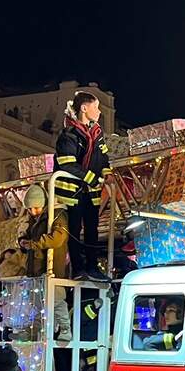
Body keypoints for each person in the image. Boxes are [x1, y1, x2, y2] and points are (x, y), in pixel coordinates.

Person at [54, 92, 109, 278]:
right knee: (75, 230)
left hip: (90, 191)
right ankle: (78, 269)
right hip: (71, 192)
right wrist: (91, 177)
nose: (99, 112)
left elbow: (103, 158)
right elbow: (67, 163)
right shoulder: (68, 135)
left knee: (92, 229)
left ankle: (93, 267)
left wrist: (107, 175)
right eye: (96, 107)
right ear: (84, 108)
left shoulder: (97, 134)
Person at [18, 175, 78, 279]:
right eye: (29, 208)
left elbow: (58, 238)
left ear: (44, 204)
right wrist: (22, 241)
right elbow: (26, 233)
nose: (33, 211)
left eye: (36, 207)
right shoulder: (32, 219)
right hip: (36, 273)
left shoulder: (57, 214)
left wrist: (34, 244)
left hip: (53, 272)